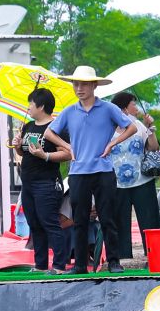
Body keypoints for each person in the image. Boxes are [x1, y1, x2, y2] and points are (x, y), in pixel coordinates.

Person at [44, 66, 137, 274]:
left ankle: (114, 262)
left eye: (84, 84)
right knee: (80, 219)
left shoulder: (108, 108)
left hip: (103, 170)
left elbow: (132, 127)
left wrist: (112, 144)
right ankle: (79, 265)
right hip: (78, 172)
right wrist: (67, 147)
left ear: (94, 85)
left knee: (107, 217)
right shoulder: (69, 111)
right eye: (76, 84)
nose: (79, 88)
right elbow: (49, 132)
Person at [12, 88, 72, 273]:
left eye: (31, 103)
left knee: (49, 222)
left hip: (46, 183)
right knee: (34, 224)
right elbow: (23, 152)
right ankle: (40, 264)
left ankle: (59, 265)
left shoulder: (56, 127)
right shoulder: (28, 125)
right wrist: (17, 146)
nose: (28, 106)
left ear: (42, 106)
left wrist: (44, 155)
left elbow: (68, 153)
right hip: (28, 182)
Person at [109, 91, 160, 258]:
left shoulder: (138, 125)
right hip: (117, 184)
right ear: (124, 107)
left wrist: (150, 129)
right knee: (120, 224)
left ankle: (155, 256)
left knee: (150, 221)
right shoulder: (108, 129)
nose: (137, 108)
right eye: (133, 104)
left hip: (143, 182)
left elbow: (153, 148)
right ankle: (122, 259)